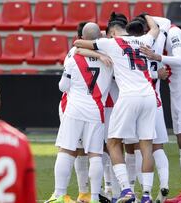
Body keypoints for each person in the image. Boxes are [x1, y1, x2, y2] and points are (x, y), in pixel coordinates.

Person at [74, 14, 160, 203]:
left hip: (129, 96)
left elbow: (78, 45)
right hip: (149, 95)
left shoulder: (111, 43)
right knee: (146, 145)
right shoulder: (143, 39)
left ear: (112, 32)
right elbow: (155, 29)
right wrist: (147, 16)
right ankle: (146, 195)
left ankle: (126, 190)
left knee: (112, 142)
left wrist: (99, 51)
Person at [46, 23, 114, 203]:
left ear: (82, 38)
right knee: (95, 155)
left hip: (74, 110)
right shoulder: (109, 57)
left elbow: (63, 86)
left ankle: (59, 195)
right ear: (99, 38)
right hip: (96, 111)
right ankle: (93, 197)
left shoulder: (73, 57)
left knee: (67, 150)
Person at [141, 24, 181, 203]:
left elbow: (179, 59)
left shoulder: (174, 33)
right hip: (178, 91)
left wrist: (156, 57)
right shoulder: (162, 39)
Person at [125, 15, 171, 203]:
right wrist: (148, 17)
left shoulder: (126, 49)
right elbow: (164, 24)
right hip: (155, 102)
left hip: (135, 102)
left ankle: (140, 193)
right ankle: (164, 184)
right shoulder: (155, 46)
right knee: (157, 147)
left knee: (137, 149)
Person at [58, 21, 92, 203]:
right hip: (73, 106)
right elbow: (64, 86)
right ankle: (81, 192)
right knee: (75, 149)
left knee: (90, 150)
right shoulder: (74, 54)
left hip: (88, 107)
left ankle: (91, 192)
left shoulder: (92, 51)